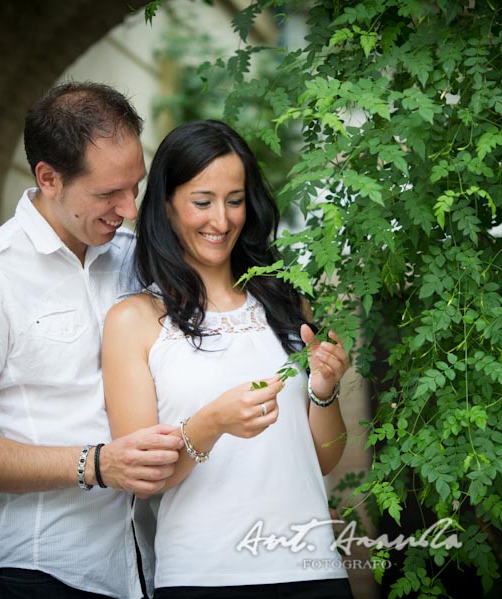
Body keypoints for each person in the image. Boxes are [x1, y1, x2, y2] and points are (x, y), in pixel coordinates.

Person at [0, 81, 184, 599]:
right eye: (109, 193)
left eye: (136, 187)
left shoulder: (134, 258)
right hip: (34, 572)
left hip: (141, 569)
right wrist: (96, 464)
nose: (129, 209)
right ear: (49, 178)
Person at [102, 120, 354, 598]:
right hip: (206, 578)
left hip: (313, 570)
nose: (221, 221)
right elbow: (142, 479)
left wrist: (324, 390)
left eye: (234, 200)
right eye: (202, 202)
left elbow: (323, 459)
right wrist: (210, 424)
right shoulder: (133, 321)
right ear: (168, 205)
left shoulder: (288, 304)